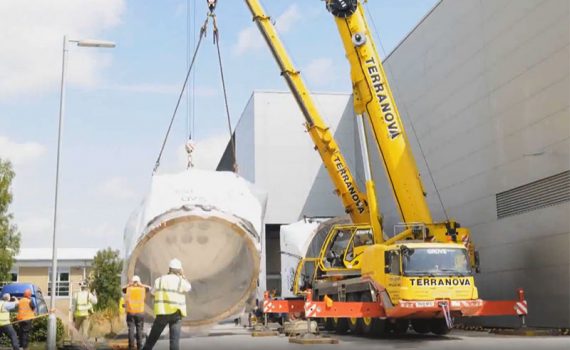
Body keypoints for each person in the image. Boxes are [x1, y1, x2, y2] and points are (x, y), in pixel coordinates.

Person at [142, 259, 191, 350]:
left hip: (162, 313)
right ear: (180, 270)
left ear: (169, 269)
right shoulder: (181, 281)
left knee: (151, 340)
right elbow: (188, 287)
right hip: (176, 315)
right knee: (174, 343)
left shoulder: (159, 280)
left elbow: (152, 294)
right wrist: (183, 276)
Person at [123, 275, 151, 350]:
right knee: (139, 329)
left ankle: (131, 346)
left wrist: (129, 284)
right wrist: (141, 284)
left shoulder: (128, 289)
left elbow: (122, 288)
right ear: (139, 281)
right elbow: (150, 288)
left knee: (131, 329)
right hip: (140, 312)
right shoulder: (142, 289)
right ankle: (139, 346)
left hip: (130, 312)